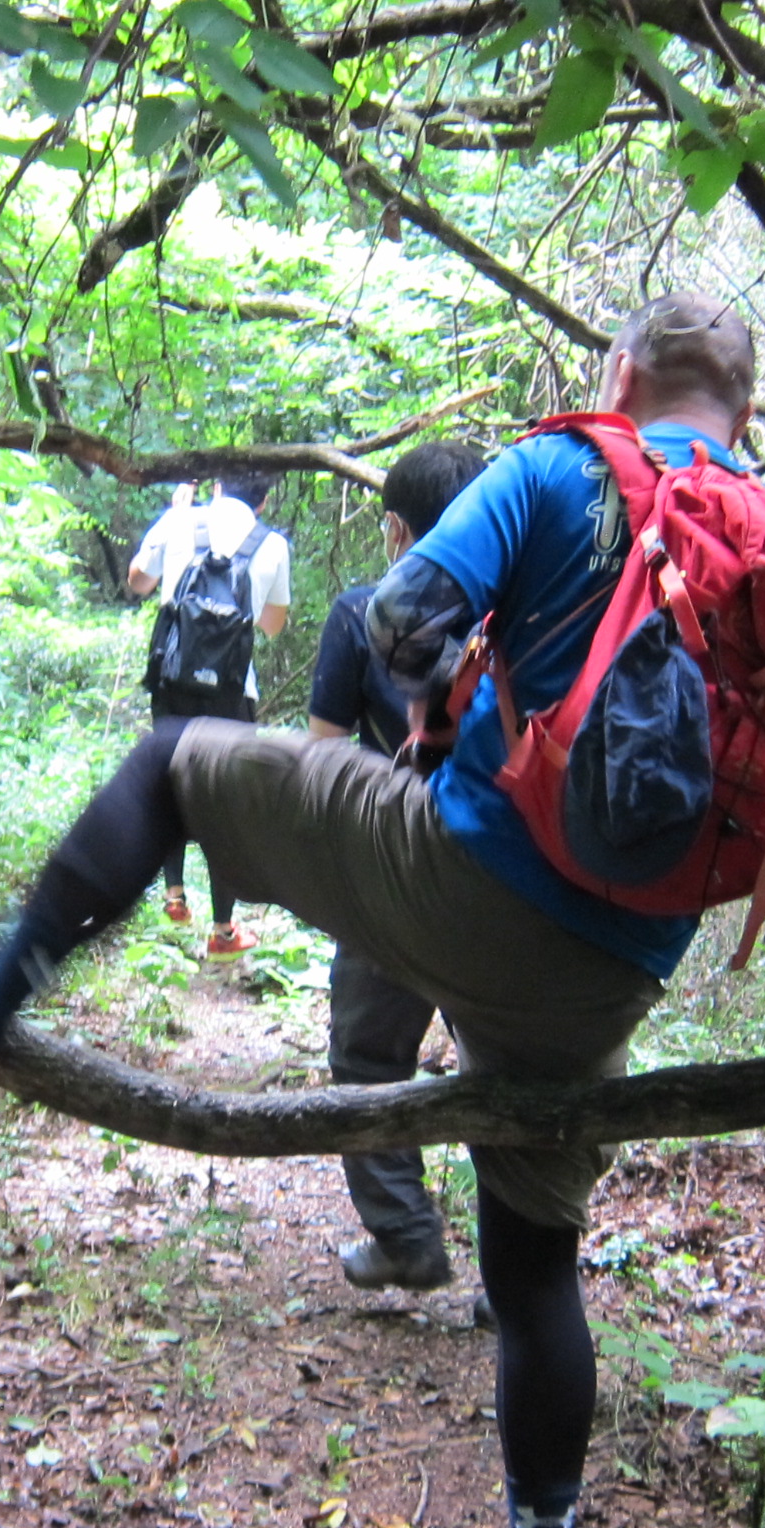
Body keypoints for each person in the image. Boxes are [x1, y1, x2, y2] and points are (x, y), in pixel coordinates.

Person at [0, 293, 765, 1528]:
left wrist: (467, 706)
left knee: (176, 764)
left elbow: (404, 619)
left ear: (620, 374)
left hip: (450, 874)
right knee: (532, 1269)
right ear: (748, 413)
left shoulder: (563, 471)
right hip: (608, 976)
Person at [305, 439, 488, 1298]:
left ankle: (407, 1237)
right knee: (503, 1063)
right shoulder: (524, 616)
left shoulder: (358, 614)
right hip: (507, 869)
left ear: (394, 529)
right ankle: (514, 1275)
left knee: (369, 1054)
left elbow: (324, 758)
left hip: (396, 867)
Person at [125, 474, 291, 955]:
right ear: (263, 500)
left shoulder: (181, 519)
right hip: (234, 692)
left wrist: (176, 514)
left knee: (169, 781)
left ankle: (175, 898)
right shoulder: (272, 544)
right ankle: (223, 931)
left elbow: (137, 581)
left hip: (172, 681)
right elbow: (274, 625)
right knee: (225, 804)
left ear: (216, 486)